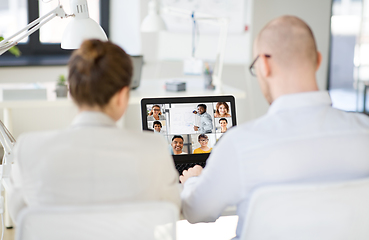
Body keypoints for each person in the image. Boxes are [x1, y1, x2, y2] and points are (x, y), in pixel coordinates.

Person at [179, 16, 369, 239]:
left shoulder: (240, 144)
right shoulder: (364, 131)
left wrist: (193, 179)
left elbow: (196, 212)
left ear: (265, 65)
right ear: (318, 60)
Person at [7, 40, 180, 223]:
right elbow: (171, 210)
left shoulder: (29, 149)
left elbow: (20, 217)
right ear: (122, 97)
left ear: (72, 92)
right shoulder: (154, 149)